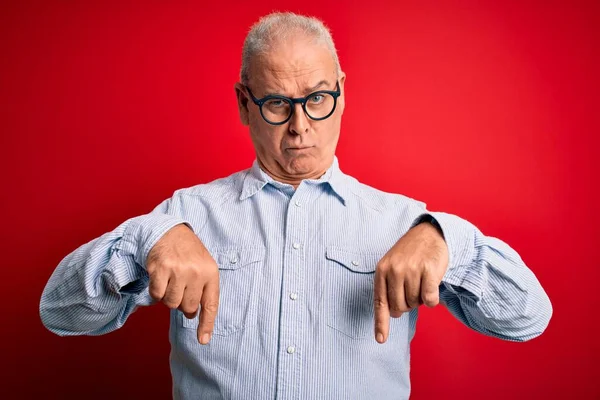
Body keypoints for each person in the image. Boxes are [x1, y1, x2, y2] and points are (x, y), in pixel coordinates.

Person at [40, 12, 552, 400]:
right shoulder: (183, 217)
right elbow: (58, 313)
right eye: (278, 103)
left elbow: (529, 319)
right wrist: (143, 238)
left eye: (317, 99)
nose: (301, 126)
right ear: (245, 104)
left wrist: (449, 238)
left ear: (342, 93)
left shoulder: (404, 225)